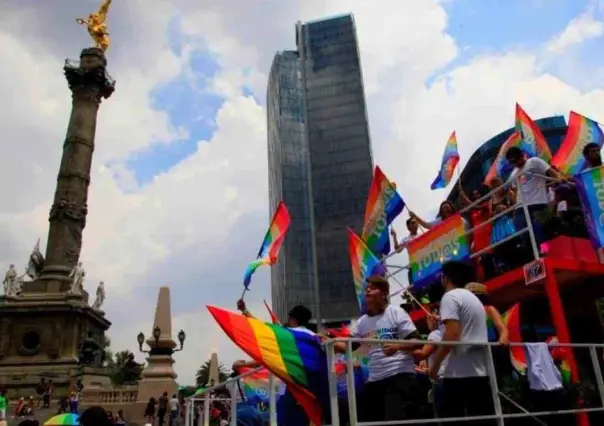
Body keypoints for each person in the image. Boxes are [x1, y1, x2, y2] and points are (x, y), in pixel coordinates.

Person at [333, 275, 422, 422]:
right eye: (367, 288)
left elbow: (417, 341)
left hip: (399, 376)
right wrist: (323, 341)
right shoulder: (362, 322)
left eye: (373, 288)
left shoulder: (397, 312)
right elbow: (347, 347)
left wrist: (397, 346)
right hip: (375, 381)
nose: (367, 291)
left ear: (384, 294)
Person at [235, 300, 324, 426]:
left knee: (285, 417)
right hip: (317, 387)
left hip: (296, 387)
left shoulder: (289, 336)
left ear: (293, 319)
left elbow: (262, 328)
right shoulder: (315, 337)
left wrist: (244, 310)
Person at [429, 261, 495, 425]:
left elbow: (452, 335)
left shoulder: (450, 297)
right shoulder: (474, 299)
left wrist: (435, 366)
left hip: (458, 374)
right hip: (480, 373)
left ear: (446, 278)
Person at [505, 146, 563, 249]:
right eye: (512, 162)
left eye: (516, 160)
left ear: (521, 156)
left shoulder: (534, 161)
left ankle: (544, 251)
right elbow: (512, 189)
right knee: (522, 232)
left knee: (539, 231)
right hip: (521, 206)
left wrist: (559, 179)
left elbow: (552, 173)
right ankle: (532, 255)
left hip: (537, 202)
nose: (515, 164)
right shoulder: (514, 173)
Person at [413, 312, 447, 419]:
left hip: (440, 380)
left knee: (442, 416)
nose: (428, 320)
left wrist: (399, 348)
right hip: (449, 377)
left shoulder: (435, 334)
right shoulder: (447, 333)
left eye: (429, 318)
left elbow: (422, 354)